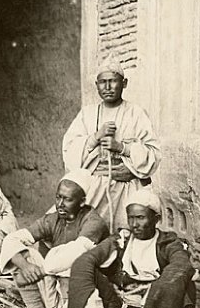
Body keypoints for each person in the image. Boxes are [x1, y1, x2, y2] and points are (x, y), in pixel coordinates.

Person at [65, 188, 195, 308]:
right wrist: (91, 304)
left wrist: (152, 301)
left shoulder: (168, 243)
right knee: (86, 272)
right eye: (131, 218)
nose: (134, 224)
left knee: (182, 281)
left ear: (156, 219)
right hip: (122, 306)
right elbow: (85, 261)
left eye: (141, 218)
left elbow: (180, 266)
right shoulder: (121, 240)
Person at [0, 169, 108, 308]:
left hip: (86, 288)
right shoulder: (53, 219)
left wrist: (40, 271)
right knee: (24, 256)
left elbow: (77, 252)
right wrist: (26, 266)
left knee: (75, 266)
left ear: (82, 202)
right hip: (56, 282)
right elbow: (12, 239)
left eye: (68, 199)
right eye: (58, 197)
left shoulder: (93, 222)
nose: (60, 204)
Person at [62, 53, 160, 229]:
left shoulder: (136, 113)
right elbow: (69, 152)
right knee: (76, 227)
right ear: (96, 85)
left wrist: (122, 148)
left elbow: (153, 154)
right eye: (102, 82)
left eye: (113, 81)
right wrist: (95, 137)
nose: (107, 87)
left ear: (124, 83)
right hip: (95, 186)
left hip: (128, 186)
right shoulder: (87, 114)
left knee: (127, 234)